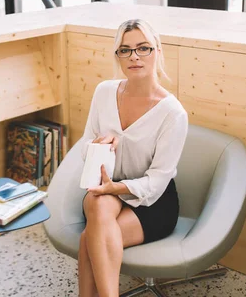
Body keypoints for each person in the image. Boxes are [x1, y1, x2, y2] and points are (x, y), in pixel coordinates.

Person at [78, 19, 189, 297]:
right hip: (104, 192)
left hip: (153, 202)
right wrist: (97, 145)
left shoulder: (172, 113)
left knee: (89, 239)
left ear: (158, 51)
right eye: (125, 50)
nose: (134, 56)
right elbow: (83, 145)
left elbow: (158, 179)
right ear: (117, 56)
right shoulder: (104, 92)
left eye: (143, 48)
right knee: (98, 203)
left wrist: (116, 188)